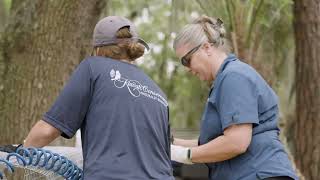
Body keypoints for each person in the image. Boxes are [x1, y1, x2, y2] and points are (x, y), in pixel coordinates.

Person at [23, 16, 174, 180]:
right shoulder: (158, 92)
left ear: (98, 48)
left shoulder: (93, 67)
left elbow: (47, 130)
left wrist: (22, 150)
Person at [170, 15, 298, 180]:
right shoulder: (223, 82)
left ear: (207, 48)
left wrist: (183, 154)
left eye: (187, 60)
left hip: (261, 174)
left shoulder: (234, 76)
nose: (187, 68)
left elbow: (236, 142)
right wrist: (170, 144)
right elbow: (209, 144)